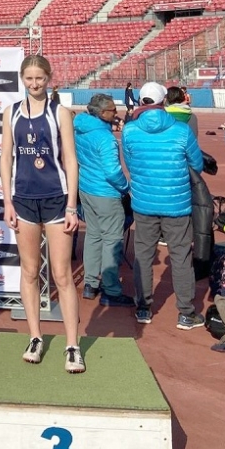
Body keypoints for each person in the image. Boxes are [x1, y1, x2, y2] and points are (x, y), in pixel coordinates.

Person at [0, 55, 85, 374]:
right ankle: (35, 337)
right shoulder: (10, 113)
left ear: (49, 79)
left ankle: (72, 345)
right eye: (29, 79)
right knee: (30, 271)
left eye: (40, 78)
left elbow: (71, 161)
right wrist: (7, 201)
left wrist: (72, 205)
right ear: (22, 79)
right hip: (23, 201)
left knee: (62, 275)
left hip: (55, 199)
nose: (34, 84)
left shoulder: (60, 113)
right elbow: (5, 158)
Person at [122, 81, 205, 329]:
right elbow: (197, 165)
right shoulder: (181, 131)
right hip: (177, 203)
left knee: (144, 255)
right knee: (181, 256)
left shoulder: (130, 131)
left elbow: (129, 161)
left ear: (141, 101)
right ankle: (186, 312)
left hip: (144, 201)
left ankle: (144, 308)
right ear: (163, 102)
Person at [74, 93, 134, 308]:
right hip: (106, 193)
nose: (115, 113)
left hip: (87, 189)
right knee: (112, 240)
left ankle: (90, 283)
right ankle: (111, 289)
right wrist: (125, 187)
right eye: (111, 110)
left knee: (93, 235)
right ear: (101, 113)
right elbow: (112, 171)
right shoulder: (105, 137)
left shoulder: (80, 129)